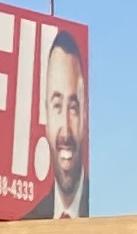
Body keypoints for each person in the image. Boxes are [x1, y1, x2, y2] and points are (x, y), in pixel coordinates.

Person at [27, 35, 90, 219]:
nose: (66, 130)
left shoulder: (105, 209)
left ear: (85, 116)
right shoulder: (28, 224)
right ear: (46, 114)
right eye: (57, 106)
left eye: (73, 108)